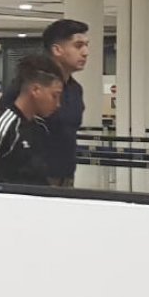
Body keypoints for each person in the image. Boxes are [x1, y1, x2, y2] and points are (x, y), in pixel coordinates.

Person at [0, 55, 65, 185]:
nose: (58, 104)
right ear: (35, 90)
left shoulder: (41, 128)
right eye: (54, 96)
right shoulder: (5, 126)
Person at [39, 19, 90, 186]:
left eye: (86, 45)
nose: (85, 52)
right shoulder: (35, 85)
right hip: (35, 179)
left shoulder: (76, 89)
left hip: (66, 177)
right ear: (57, 50)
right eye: (78, 45)